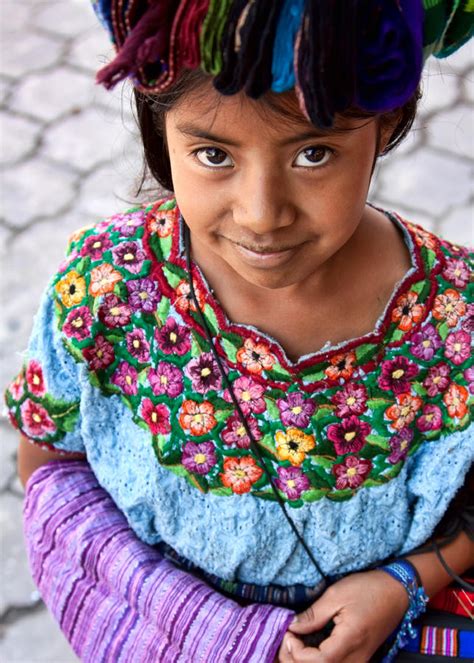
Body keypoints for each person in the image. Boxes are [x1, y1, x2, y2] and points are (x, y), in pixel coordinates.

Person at [5, 1, 473, 661]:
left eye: (314, 152)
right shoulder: (107, 287)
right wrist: (205, 632)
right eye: (213, 153)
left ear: (387, 123)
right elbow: (50, 470)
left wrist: (402, 583)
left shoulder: (456, 317)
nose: (262, 215)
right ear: (158, 130)